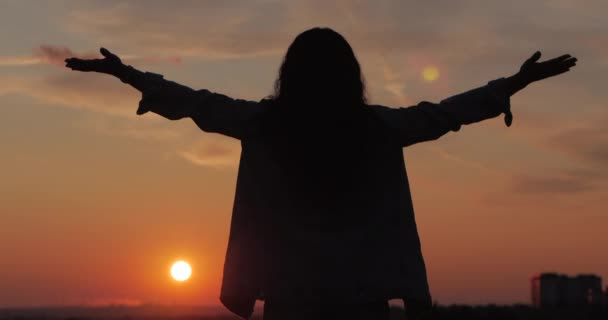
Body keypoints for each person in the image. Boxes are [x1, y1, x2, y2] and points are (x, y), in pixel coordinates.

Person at [65, 27, 577, 320]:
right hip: (362, 305)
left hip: (291, 304)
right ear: (350, 76)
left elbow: (194, 102)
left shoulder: (265, 124)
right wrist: (514, 83)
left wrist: (127, 74)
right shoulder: (377, 128)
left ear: (291, 75)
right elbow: (445, 112)